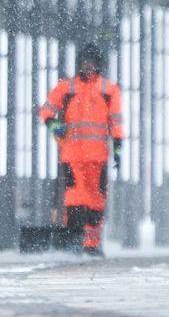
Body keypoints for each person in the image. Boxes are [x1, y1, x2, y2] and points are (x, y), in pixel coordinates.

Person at [37, 44, 124, 255]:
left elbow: (116, 122)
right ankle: (74, 240)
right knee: (75, 198)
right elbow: (46, 111)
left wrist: (118, 148)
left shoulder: (109, 90)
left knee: (96, 200)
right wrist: (54, 125)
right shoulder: (67, 88)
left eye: (92, 62)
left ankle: (91, 244)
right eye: (85, 62)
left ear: (99, 65)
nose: (88, 67)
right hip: (72, 155)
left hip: (98, 157)